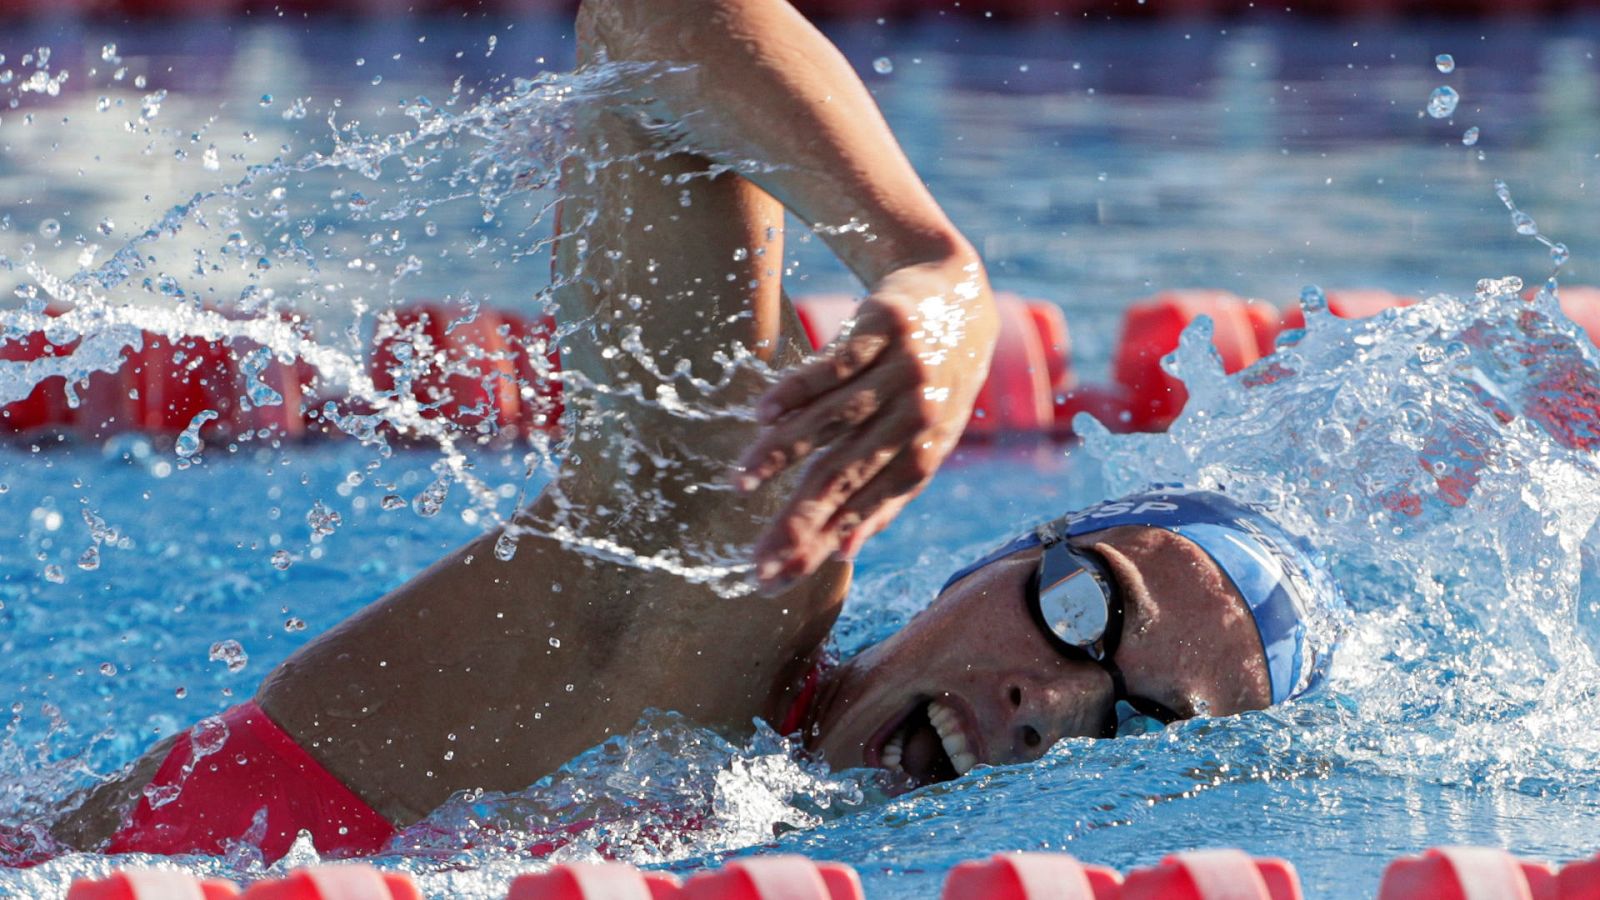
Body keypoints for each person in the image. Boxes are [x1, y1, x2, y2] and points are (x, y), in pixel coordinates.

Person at [46, 0, 1338, 865]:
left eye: (1140, 723)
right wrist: (934, 265)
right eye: (1078, 607)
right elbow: (645, 23)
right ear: (1000, 558)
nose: (1049, 704)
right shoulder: (710, 584)